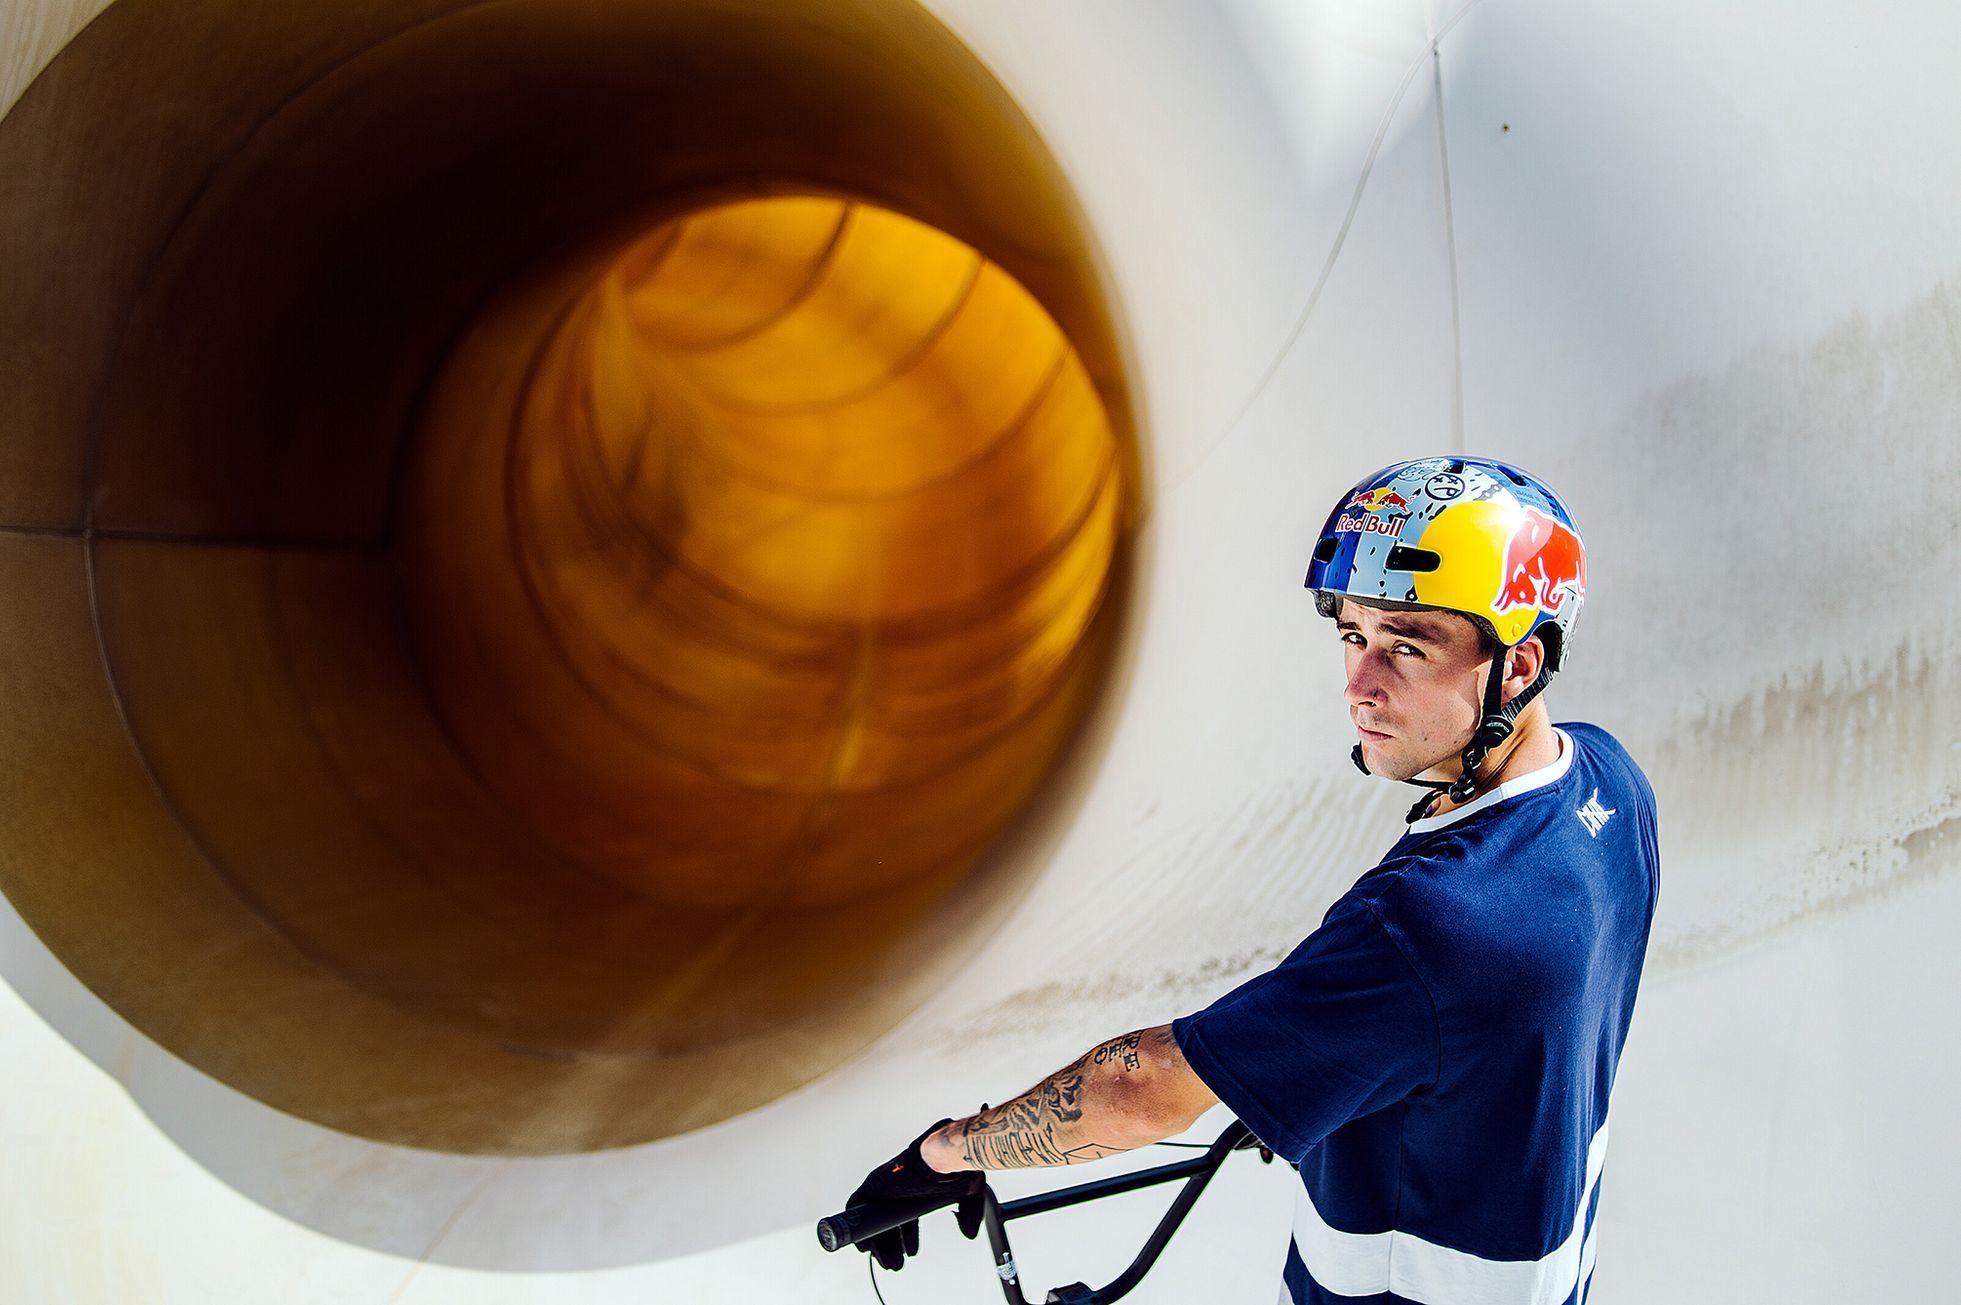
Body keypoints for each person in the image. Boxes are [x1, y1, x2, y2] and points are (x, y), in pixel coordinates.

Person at [841, 456, 1659, 1305]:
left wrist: (942, 1151)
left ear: (1518, 666)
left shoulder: (1434, 920)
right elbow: (1481, 1039)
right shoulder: (1605, 781)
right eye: (1352, 635)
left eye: (1407, 646)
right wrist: (1333, 1068)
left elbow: (1144, 1087)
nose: (1359, 685)